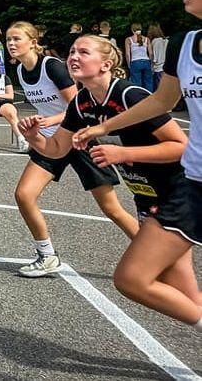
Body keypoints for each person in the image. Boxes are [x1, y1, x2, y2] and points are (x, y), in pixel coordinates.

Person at [29, 34, 199, 324]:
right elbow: (57, 149)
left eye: (83, 52)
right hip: (147, 197)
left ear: (106, 63)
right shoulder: (82, 102)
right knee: (183, 291)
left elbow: (179, 146)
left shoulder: (130, 95)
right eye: (71, 51)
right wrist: (32, 137)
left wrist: (122, 154)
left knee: (135, 280)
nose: (73, 57)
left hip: (176, 194)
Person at [73, 0, 202, 323]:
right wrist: (102, 128)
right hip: (193, 187)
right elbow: (160, 102)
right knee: (132, 278)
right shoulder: (184, 44)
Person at [6, 21, 133, 278]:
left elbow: (77, 108)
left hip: (78, 138)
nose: (10, 43)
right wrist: (39, 127)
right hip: (51, 142)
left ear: (33, 41)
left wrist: (48, 121)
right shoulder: (20, 71)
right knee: (24, 195)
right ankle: (47, 255)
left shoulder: (52, 67)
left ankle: (154, 255)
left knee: (111, 208)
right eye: (8, 39)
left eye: (16, 38)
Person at [125, 23, 154, 91]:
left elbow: (127, 54)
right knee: (148, 82)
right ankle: (150, 97)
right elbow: (151, 53)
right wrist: (151, 63)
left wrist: (129, 64)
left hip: (135, 62)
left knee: (136, 83)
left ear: (132, 30)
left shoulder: (128, 39)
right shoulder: (147, 39)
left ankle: (138, 98)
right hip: (146, 62)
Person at [149, 23, 169, 93]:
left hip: (158, 68)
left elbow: (154, 56)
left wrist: (151, 66)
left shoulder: (155, 41)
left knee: (158, 90)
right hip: (166, 68)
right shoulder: (166, 40)